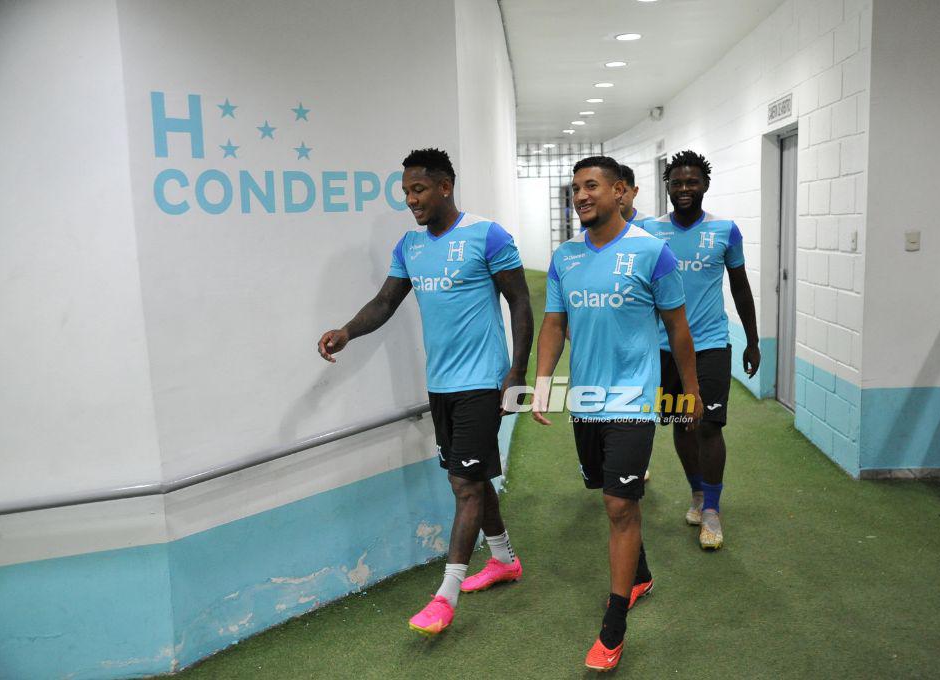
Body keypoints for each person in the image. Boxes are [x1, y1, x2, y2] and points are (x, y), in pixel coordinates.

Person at [317, 148, 533, 636]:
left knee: (464, 485)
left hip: (482, 380)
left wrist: (517, 372)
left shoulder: (487, 235)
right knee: (471, 478)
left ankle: (445, 595)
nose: (411, 200)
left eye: (419, 190)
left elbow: (519, 300)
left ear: (445, 186)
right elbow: (386, 301)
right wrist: (347, 331)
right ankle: (502, 559)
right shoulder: (411, 246)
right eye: (406, 192)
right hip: (441, 385)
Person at [533, 155, 702, 671]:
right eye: (575, 189)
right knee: (610, 495)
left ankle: (614, 622)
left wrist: (690, 392)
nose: (580, 196)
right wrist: (542, 381)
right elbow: (555, 324)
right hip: (585, 399)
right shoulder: (565, 257)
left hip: (633, 399)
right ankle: (642, 574)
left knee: (618, 506)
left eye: (591, 186)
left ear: (621, 191)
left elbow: (677, 329)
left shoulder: (653, 254)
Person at [644, 149, 760, 550]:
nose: (684, 189)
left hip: (710, 342)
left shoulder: (725, 230)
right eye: (677, 183)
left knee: (708, 424)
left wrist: (753, 340)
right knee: (681, 422)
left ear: (705, 184)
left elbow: (740, 287)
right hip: (662, 347)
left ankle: (711, 508)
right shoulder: (649, 230)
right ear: (668, 188)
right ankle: (697, 491)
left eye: (692, 182)